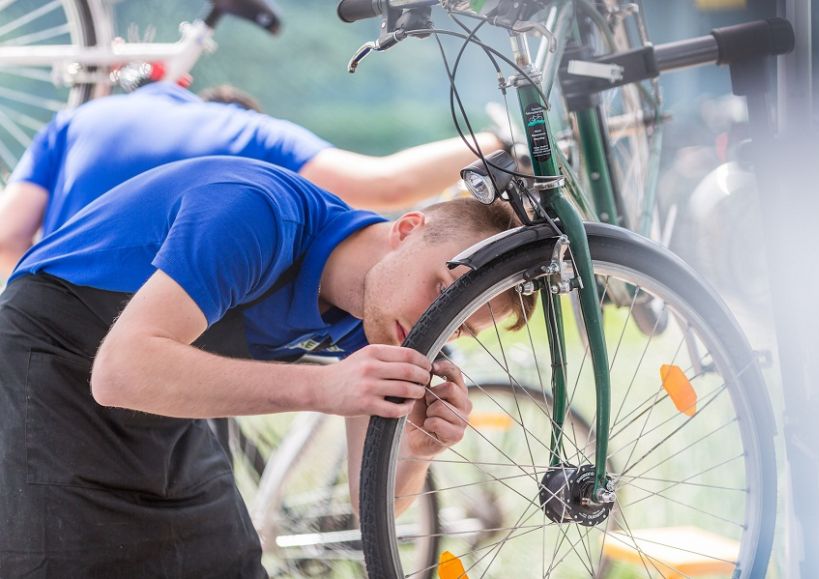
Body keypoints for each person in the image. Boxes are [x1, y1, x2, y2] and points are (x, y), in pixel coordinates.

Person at [0, 154, 533, 577]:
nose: (436, 321)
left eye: (459, 322)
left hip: (157, 404)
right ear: (407, 228)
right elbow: (120, 372)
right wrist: (325, 387)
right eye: (441, 289)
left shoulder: (379, 319)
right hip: (48, 362)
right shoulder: (256, 214)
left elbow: (369, 500)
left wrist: (417, 452)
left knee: (224, 561)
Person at [0, 81, 505, 279]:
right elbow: (387, 184)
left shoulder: (78, 120)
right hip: (171, 326)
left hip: (48, 324)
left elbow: (8, 239)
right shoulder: (246, 130)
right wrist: (498, 141)